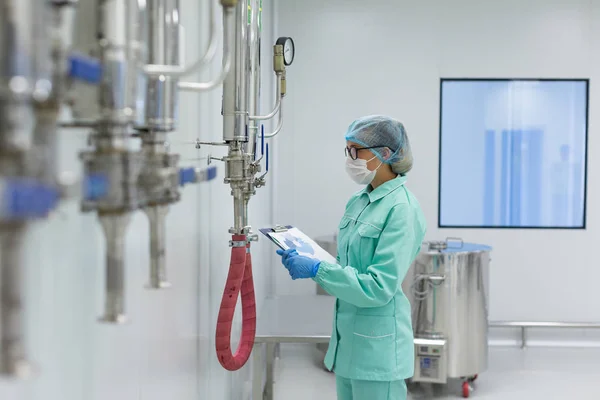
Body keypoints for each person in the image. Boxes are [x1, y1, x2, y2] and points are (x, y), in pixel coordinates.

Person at [277, 115, 427, 400]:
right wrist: (310, 259)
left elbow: (378, 286)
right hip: (347, 344)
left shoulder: (402, 209)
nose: (350, 158)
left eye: (355, 151)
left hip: (378, 351)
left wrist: (319, 270)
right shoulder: (358, 201)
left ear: (385, 154)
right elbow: (348, 267)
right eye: (347, 151)